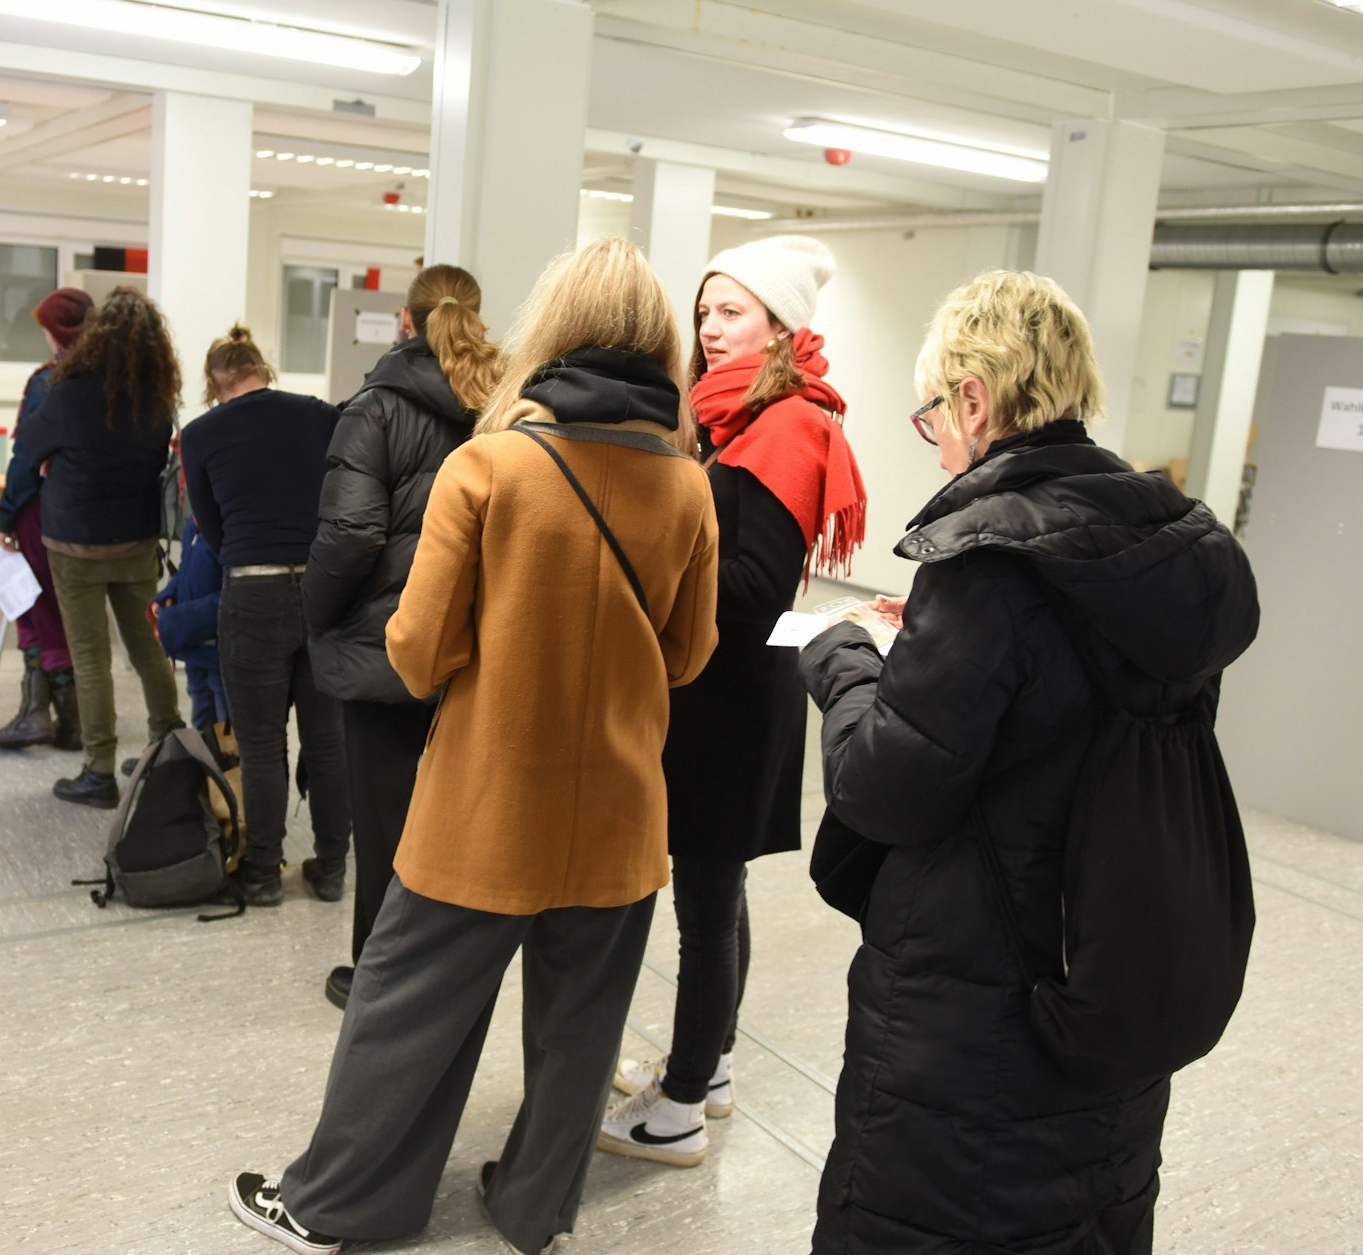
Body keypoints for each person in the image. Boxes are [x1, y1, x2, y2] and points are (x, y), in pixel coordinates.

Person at [228, 238, 720, 1255]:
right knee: (581, 1031)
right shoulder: (687, 486)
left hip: (485, 803)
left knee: (405, 1006)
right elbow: (686, 656)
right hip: (621, 810)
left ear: (553, 326)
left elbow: (416, 652)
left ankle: (339, 1203)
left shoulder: (490, 465)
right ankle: (534, 1209)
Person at [796, 270, 1258, 1252]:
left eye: (932, 414)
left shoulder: (986, 565)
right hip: (1105, 975)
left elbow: (883, 788)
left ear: (973, 399)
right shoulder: (1165, 551)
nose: (935, 440)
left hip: (975, 1022)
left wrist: (845, 661)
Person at [601, 236, 866, 1166]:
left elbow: (756, 584)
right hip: (720, 689)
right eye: (706, 311)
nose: (710, 329)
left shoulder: (787, 425)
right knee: (718, 896)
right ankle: (707, 1069)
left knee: (707, 909)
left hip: (734, 697)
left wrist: (650, 565)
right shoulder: (734, 415)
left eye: (733, 312)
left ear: (781, 327)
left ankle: (678, 1108)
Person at [301, 263, 499, 1010]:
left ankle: (378, 980)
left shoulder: (375, 408)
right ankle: (447, 974)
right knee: (461, 821)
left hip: (385, 649)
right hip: (475, 645)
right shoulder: (507, 408)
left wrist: (316, 611)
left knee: (383, 825)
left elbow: (351, 533)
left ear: (405, 321)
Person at [180, 327, 348, 907]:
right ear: (264, 370)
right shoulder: (321, 415)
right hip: (322, 589)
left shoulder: (199, 435)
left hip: (252, 593)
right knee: (328, 743)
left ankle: (262, 873)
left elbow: (212, 530)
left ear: (213, 385)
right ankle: (332, 869)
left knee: (260, 744)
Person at [3, 286, 181, 807]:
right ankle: (164, 748)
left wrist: (52, 459)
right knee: (147, 649)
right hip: (135, 540)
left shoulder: (69, 391)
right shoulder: (157, 399)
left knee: (90, 658)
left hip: (75, 543)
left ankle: (99, 771)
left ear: (99, 333)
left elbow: (27, 446)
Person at [0, 287, 94, 752]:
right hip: (93, 515)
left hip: (41, 510)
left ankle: (40, 715)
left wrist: (6, 516)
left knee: (36, 609)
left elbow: (27, 457)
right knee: (63, 612)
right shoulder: (115, 377)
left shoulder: (48, 381)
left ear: (56, 333)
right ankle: (66, 721)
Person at [152, 514, 227, 730]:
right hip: (193, 649)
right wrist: (166, 595)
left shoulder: (225, 533)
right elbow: (184, 572)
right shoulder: (193, 528)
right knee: (201, 718)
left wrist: (178, 618)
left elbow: (233, 596)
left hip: (219, 654)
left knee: (227, 725)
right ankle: (203, 751)